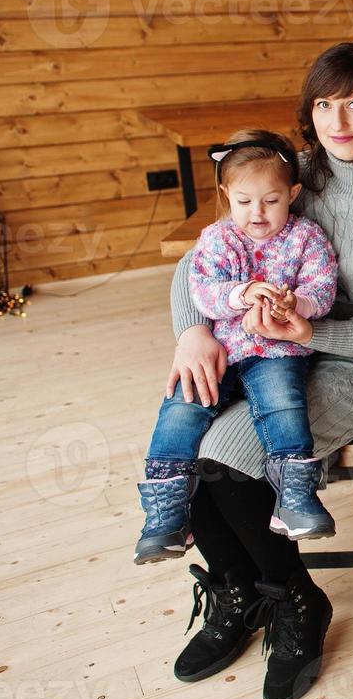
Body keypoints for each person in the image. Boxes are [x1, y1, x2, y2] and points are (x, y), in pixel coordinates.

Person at [163, 42, 353, 699]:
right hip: (274, 352)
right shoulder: (294, 178)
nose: (338, 119)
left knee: (226, 463)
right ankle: (238, 591)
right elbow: (198, 262)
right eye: (324, 103)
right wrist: (192, 333)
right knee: (182, 449)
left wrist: (308, 331)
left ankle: (297, 602)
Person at [136, 129, 339, 565]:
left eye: (271, 200)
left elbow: (322, 290)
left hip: (278, 351)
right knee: (182, 404)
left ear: (293, 193)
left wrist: (295, 304)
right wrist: (240, 293)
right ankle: (166, 514)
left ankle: (295, 499)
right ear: (226, 194)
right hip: (221, 353)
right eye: (244, 201)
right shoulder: (216, 238)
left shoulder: (307, 238)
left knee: (284, 405)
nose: (258, 213)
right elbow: (202, 290)